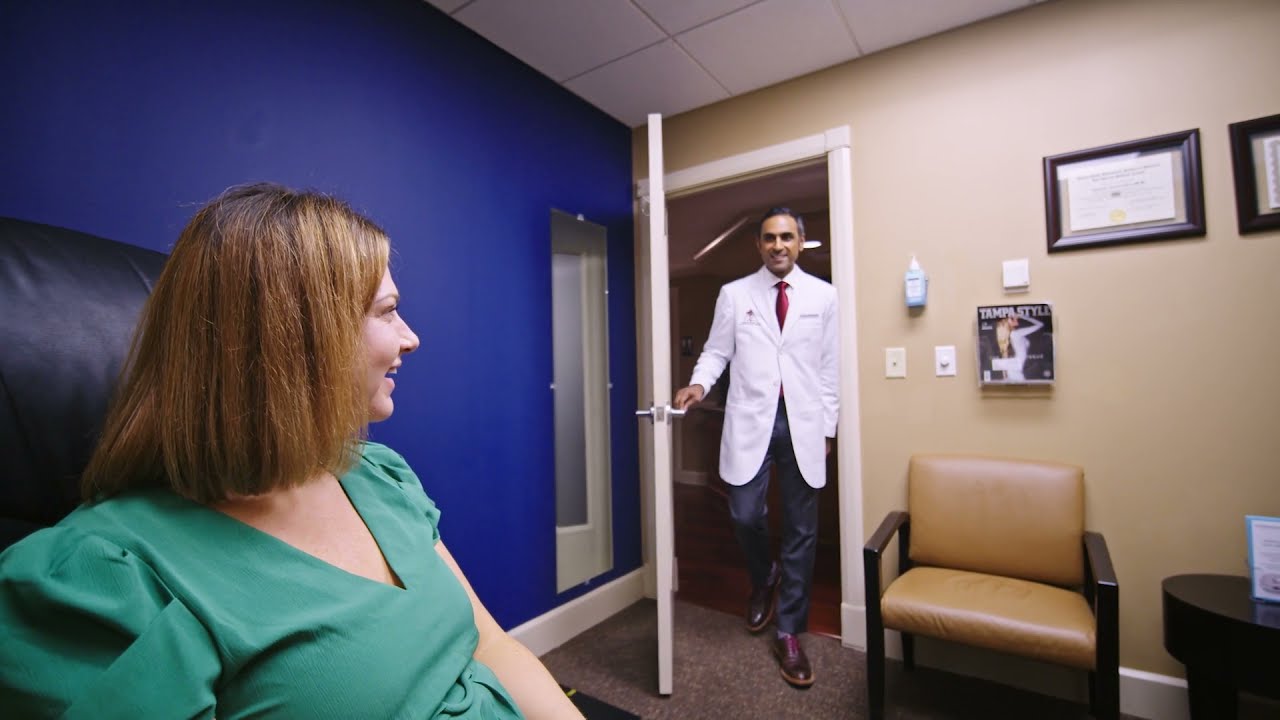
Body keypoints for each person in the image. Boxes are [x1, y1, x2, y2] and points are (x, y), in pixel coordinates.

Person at [0, 183, 584, 719]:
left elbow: (492, 645)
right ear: (298, 343)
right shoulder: (104, 581)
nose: (411, 337)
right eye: (386, 312)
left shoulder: (379, 477)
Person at [673, 207, 839, 688]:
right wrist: (698, 385)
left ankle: (788, 631)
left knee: (802, 529)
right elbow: (716, 351)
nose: (778, 245)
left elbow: (830, 368)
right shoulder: (735, 294)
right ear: (759, 246)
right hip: (751, 420)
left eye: (787, 237)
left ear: (801, 241)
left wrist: (827, 428)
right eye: (769, 238)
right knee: (744, 513)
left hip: (803, 424)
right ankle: (764, 576)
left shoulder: (823, 296)